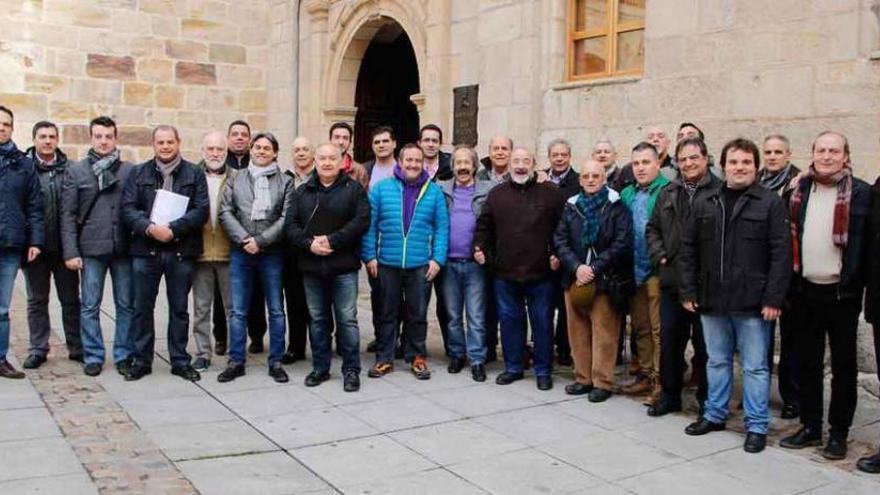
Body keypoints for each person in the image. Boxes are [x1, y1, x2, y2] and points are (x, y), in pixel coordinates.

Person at [680, 138, 791, 454]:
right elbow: (688, 250)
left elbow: (781, 255)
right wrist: (689, 290)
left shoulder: (770, 203)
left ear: (755, 167)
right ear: (723, 165)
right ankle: (714, 414)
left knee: (755, 367)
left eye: (746, 162)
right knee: (716, 361)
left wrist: (773, 299)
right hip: (712, 299)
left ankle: (756, 425)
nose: (739, 167)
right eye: (734, 162)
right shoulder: (706, 202)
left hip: (753, 302)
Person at [780, 131, 872, 461]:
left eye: (835, 150)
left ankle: (838, 433)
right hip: (804, 291)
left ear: (846, 156)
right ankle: (810, 425)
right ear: (813, 153)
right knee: (808, 363)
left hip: (842, 294)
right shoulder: (798, 190)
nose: (828, 156)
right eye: (822, 150)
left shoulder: (862, 193)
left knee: (844, 368)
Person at [121, 125, 209, 382]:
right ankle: (142, 360)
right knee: (142, 308)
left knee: (179, 309)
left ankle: (180, 360)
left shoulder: (194, 173)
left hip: (180, 250)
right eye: (161, 142)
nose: (166, 146)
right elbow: (128, 209)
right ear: (154, 145)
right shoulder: (139, 173)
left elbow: (200, 210)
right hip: (146, 250)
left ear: (178, 142)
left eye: (170, 141)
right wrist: (150, 228)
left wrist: (172, 229)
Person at [474, 147, 565, 390]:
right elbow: (484, 227)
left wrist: (557, 254)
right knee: (510, 322)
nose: (521, 165)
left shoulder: (552, 193)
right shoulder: (496, 194)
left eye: (526, 161)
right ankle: (513, 367)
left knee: (543, 323)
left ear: (534, 164)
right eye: (516, 161)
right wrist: (480, 249)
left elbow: (562, 228)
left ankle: (543, 370)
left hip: (541, 272)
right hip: (505, 272)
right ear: (510, 165)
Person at [645, 137, 720, 417]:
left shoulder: (719, 191)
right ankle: (669, 395)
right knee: (670, 343)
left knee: (706, 346)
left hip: (705, 284)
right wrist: (660, 255)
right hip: (672, 279)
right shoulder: (669, 191)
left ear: (705, 159)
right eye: (683, 159)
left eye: (694, 158)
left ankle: (707, 400)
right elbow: (652, 229)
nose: (688, 164)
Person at [287, 143, 370, 391]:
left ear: (341, 160)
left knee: (347, 320)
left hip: (343, 266)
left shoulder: (354, 189)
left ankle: (351, 370)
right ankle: (321, 368)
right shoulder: (302, 192)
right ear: (315, 160)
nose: (326, 162)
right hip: (312, 266)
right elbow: (290, 226)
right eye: (322, 158)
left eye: (332, 158)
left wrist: (333, 241)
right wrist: (309, 244)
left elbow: (361, 221)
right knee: (318, 319)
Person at [362, 143, 448, 380]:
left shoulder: (434, 192)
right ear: (400, 161)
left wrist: (438, 259)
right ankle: (384, 358)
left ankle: (416, 357)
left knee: (417, 314)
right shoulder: (380, 189)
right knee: (386, 313)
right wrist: (370, 256)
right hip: (386, 262)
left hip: (420, 264)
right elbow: (369, 226)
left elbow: (442, 228)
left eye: (417, 161)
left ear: (423, 164)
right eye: (408, 160)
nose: (412, 165)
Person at [217, 132, 294, 384]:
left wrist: (260, 241)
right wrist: (244, 240)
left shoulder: (285, 181)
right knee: (238, 310)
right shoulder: (236, 178)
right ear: (251, 149)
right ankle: (236, 361)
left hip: (271, 252)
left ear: (274, 153)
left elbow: (286, 217)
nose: (261, 151)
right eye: (257, 147)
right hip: (241, 251)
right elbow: (225, 211)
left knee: (275, 309)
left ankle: (276, 361)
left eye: (266, 148)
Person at [61, 116, 135, 377]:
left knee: (126, 305)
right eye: (99, 136)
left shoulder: (128, 171)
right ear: (91, 138)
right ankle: (93, 355)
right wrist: (70, 251)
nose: (104, 141)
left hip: (122, 249)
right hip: (91, 249)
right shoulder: (77, 171)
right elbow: (68, 214)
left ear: (115, 139)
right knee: (90, 305)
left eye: (108, 136)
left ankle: (124, 354)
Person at [554, 159, 633, 402]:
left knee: (604, 333)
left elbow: (622, 242)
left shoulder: (616, 205)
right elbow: (560, 240)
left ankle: (602, 381)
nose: (590, 180)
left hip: (605, 279)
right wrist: (577, 267)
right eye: (586, 176)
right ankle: (583, 378)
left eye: (595, 176)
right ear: (580, 180)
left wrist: (594, 268)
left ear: (604, 178)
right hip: (575, 278)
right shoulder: (571, 206)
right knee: (577, 331)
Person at [22, 120, 82, 368]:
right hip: (35, 247)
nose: (47, 141)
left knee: (70, 299)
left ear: (57, 140)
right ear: (34, 139)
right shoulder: (24, 168)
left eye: (52, 137)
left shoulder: (70, 168)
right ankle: (38, 348)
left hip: (63, 247)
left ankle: (77, 346)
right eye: (43, 136)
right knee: (37, 300)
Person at [619, 142, 670, 402]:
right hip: (633, 269)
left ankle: (662, 381)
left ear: (658, 163)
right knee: (640, 327)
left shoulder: (668, 191)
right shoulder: (627, 193)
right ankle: (646, 375)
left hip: (656, 271)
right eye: (636, 163)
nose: (640, 168)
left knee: (658, 328)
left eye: (646, 162)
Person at [759, 133, 802, 419]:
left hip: (792, 268)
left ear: (788, 154)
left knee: (792, 340)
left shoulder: (800, 183)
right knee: (760, 337)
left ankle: (792, 397)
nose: (772, 156)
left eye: (778, 152)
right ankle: (757, 394)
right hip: (761, 268)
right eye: (768, 152)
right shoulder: (756, 181)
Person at [439, 145, 491, 381]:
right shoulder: (442, 190)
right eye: (458, 163)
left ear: (474, 166)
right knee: (452, 314)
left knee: (476, 315)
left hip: (474, 264)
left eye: (466, 163)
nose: (462, 167)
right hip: (449, 262)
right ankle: (457, 354)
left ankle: (477, 359)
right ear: (453, 167)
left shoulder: (488, 191)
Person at [0, 105, 44, 379]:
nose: (1, 128)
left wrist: (35, 241)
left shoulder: (22, 163)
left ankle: (0, 358)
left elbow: (35, 206)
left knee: (2, 308)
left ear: (12, 129)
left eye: (6, 124)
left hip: (9, 245)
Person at [190, 131, 234, 372]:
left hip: (230, 253)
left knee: (233, 308)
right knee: (201, 307)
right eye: (211, 149)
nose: (215, 153)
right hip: (201, 252)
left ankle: (236, 353)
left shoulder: (237, 177)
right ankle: (203, 352)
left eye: (220, 149)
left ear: (226, 152)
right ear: (203, 151)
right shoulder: (192, 177)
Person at [546, 138, 580, 367]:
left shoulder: (579, 182)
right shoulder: (540, 180)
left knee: (566, 306)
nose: (559, 158)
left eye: (563, 155)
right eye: (555, 155)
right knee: (544, 305)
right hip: (543, 253)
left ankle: (565, 348)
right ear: (549, 157)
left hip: (568, 252)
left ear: (569, 157)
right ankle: (544, 346)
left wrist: (561, 252)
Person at [280, 136, 314, 364]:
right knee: (293, 300)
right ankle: (296, 347)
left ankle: (321, 345)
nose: (301, 153)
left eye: (305, 149)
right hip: (291, 249)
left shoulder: (321, 177)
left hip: (315, 247)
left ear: (313, 153)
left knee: (318, 301)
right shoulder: (285, 179)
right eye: (297, 150)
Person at [328, 121, 369, 188]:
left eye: (345, 138)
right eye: (337, 137)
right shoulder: (320, 166)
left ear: (350, 142)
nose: (341, 142)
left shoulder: (359, 170)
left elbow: (362, 196)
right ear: (330, 140)